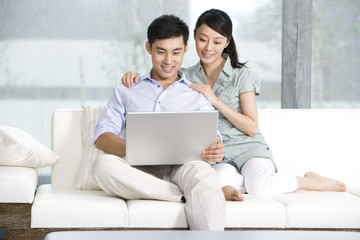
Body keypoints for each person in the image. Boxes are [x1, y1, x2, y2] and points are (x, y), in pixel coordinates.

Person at [121, 9, 347, 201]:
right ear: (193, 42)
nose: (208, 47)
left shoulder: (242, 76)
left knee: (261, 188)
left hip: (249, 148)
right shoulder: (186, 76)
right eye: (202, 39)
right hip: (216, 154)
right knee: (214, 185)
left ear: (227, 43)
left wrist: (214, 99)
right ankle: (244, 183)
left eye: (217, 41)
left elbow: (251, 127)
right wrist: (135, 76)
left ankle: (307, 181)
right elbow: (161, 75)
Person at [92, 14, 226, 231]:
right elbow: (102, 137)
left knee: (203, 173)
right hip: (137, 169)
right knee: (102, 166)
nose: (168, 61)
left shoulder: (196, 93)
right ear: (149, 48)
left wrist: (217, 148)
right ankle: (182, 195)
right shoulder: (128, 88)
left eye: (176, 52)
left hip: (182, 167)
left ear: (185, 49)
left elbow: (213, 137)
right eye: (161, 52)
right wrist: (138, 148)